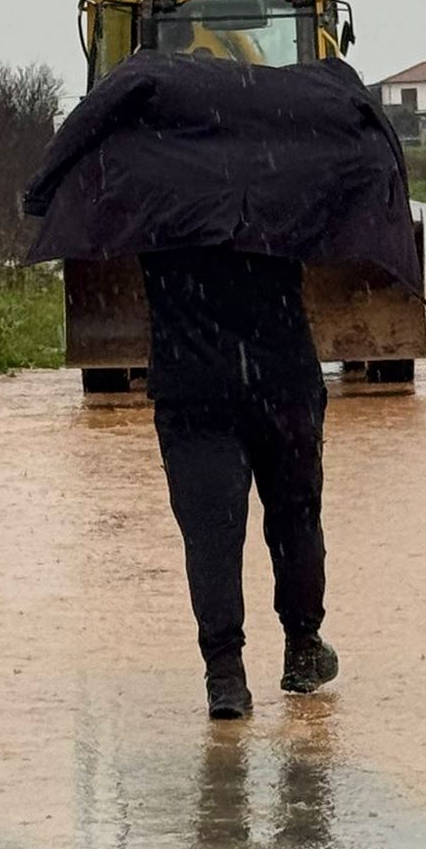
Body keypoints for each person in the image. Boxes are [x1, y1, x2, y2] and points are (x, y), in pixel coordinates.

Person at [140, 246, 337, 720]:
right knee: (295, 519)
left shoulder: (154, 198)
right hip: (283, 385)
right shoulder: (280, 194)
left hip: (192, 394)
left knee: (211, 536)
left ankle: (225, 675)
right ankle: (302, 646)